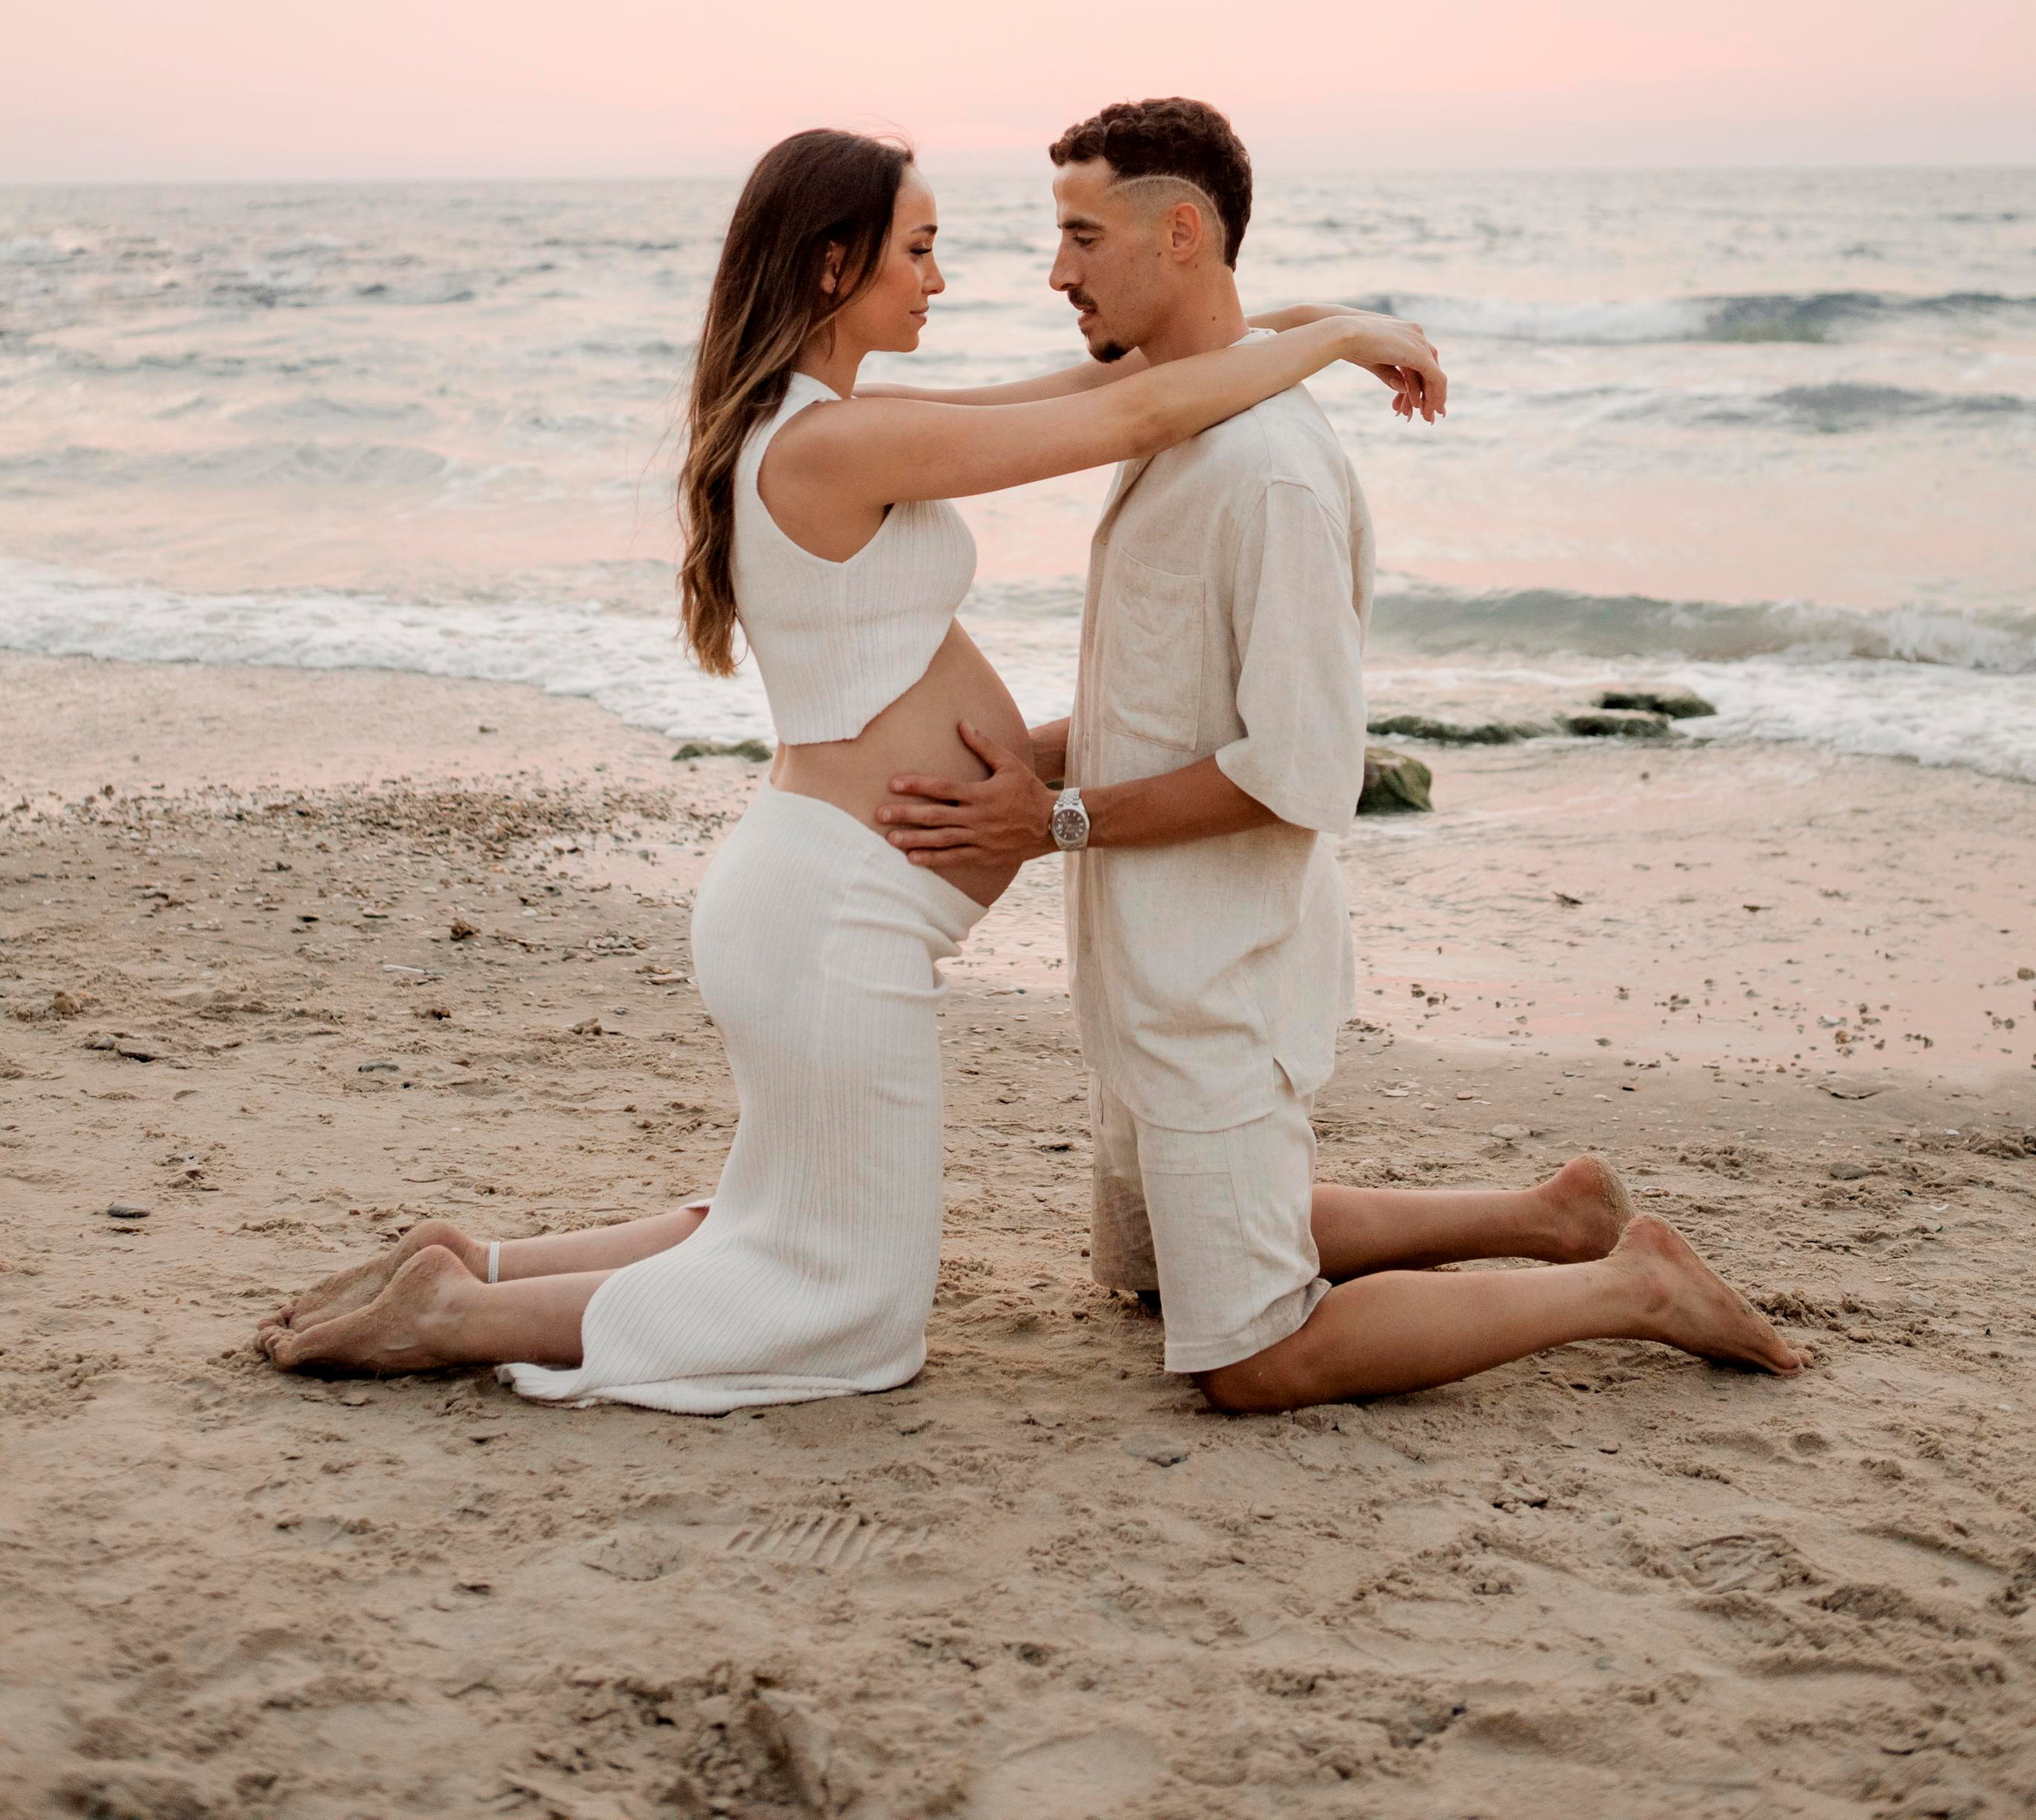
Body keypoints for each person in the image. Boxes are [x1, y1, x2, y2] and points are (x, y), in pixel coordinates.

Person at [258, 125, 1445, 1399]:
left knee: (772, 1223)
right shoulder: (832, 446)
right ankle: (456, 1315)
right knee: (852, 1308)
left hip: (815, 905)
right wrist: (1335, 344)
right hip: (832, 922)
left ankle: (478, 1263)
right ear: (834, 267)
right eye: (918, 250)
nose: (943, 279)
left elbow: (1080, 391)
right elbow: (1136, 410)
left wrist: (1311, 318)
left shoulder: (831, 422)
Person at [876, 97, 1801, 1406]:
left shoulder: (1270, 475)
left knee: (1249, 1358)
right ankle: (1549, 1214)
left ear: (1181, 232)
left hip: (1218, 977)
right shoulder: (1175, 425)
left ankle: (1626, 1285)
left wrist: (1055, 824)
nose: (1057, 271)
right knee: (1144, 1273)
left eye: (1082, 235)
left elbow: (1299, 771)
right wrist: (1011, 765)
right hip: (1140, 965)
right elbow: (1167, 700)